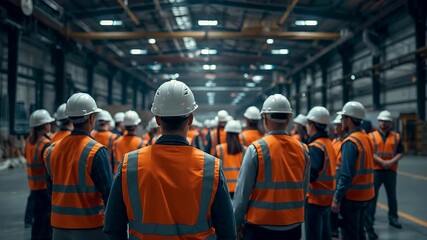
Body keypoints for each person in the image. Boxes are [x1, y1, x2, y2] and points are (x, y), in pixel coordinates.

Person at [103, 80, 236, 239]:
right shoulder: (210, 167)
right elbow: (227, 231)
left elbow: (113, 227)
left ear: (158, 119)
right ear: (191, 119)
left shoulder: (129, 164)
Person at [233, 94, 310, 240]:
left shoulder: (256, 149)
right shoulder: (303, 149)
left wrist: (237, 223)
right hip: (293, 225)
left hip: (261, 226)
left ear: (265, 119)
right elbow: (304, 189)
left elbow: (242, 193)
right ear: (288, 119)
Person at [43, 93, 112, 240]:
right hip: (90, 227)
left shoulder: (51, 150)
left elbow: (50, 190)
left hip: (59, 227)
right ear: (91, 118)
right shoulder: (96, 151)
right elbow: (108, 195)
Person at [331, 101, 375, 240]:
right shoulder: (366, 137)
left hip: (352, 197)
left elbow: (346, 175)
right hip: (366, 195)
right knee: (360, 233)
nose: (341, 121)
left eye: (343, 118)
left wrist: (337, 198)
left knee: (350, 235)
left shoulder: (351, 142)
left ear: (349, 120)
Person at [365, 110, 403, 240]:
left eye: (386, 121)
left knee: (392, 196)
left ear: (390, 123)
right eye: (382, 121)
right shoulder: (371, 136)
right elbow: (370, 152)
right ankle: (370, 219)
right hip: (376, 170)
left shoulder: (396, 136)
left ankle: (393, 218)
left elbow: (400, 152)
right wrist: (382, 162)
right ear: (378, 122)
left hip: (390, 170)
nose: (383, 123)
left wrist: (390, 162)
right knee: (372, 197)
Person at [305, 106, 336, 240]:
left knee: (313, 235)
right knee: (325, 233)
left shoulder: (315, 147)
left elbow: (312, 175)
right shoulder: (328, 143)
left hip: (315, 199)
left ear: (312, 125)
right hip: (327, 197)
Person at [25, 109, 55, 240]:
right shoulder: (45, 143)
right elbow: (50, 166)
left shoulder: (29, 141)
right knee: (46, 224)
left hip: (34, 186)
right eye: (48, 123)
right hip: (44, 188)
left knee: (37, 223)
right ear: (44, 126)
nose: (50, 126)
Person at [215, 120, 246, 198]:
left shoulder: (219, 149)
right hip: (240, 188)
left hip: (224, 189)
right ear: (239, 134)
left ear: (226, 133)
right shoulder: (245, 150)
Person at [330, 114, 344, 238]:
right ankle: (334, 228)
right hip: (334, 177)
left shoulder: (346, 142)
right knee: (333, 206)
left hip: (341, 178)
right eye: (334, 125)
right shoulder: (334, 141)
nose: (335, 127)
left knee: (340, 205)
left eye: (337, 125)